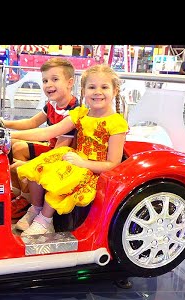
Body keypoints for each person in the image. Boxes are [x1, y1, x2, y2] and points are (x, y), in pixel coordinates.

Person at [11, 64, 128, 237]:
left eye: (104, 87)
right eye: (92, 87)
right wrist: (10, 134)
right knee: (36, 167)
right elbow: (48, 131)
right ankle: (35, 208)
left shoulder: (117, 124)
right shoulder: (80, 114)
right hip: (75, 159)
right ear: (84, 90)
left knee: (61, 176)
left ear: (115, 91)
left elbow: (113, 163)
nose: (97, 92)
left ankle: (45, 220)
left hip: (92, 169)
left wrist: (82, 163)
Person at [0, 58, 79, 219]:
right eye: (45, 80)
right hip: (52, 148)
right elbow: (32, 122)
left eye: (55, 79)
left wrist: (26, 164)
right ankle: (21, 194)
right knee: (17, 147)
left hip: (63, 156)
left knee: (16, 166)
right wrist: (3, 122)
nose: (48, 84)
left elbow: (58, 150)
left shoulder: (73, 111)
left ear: (70, 83)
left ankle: (30, 202)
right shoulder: (52, 105)